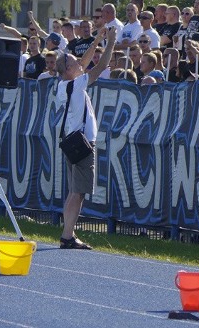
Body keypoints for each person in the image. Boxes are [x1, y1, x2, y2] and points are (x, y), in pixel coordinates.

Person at [56, 26, 116, 249]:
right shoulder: (76, 84)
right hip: (81, 142)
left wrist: (97, 38)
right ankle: (67, 235)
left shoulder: (65, 85)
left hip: (71, 140)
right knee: (78, 192)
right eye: (75, 62)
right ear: (69, 68)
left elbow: (83, 62)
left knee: (74, 191)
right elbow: (98, 67)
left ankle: (67, 232)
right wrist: (110, 42)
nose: (80, 64)